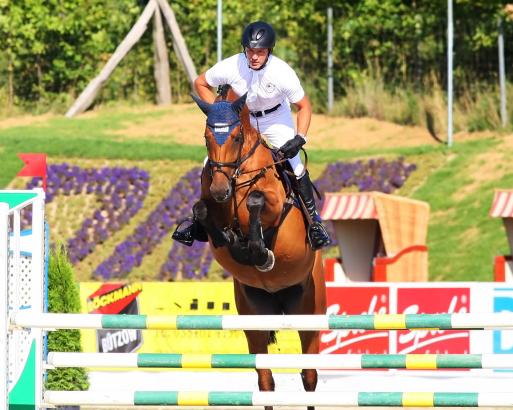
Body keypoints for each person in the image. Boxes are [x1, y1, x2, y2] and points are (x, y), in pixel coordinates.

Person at [172, 21, 331, 250]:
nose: (254, 57)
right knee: (210, 161)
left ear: (269, 51)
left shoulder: (282, 72)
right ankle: (198, 223)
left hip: (275, 119)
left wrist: (300, 138)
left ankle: (314, 222)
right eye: (250, 51)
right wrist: (220, 112)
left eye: (260, 52)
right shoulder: (232, 65)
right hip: (242, 118)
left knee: (295, 165)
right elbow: (200, 83)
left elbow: (304, 106)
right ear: (244, 49)